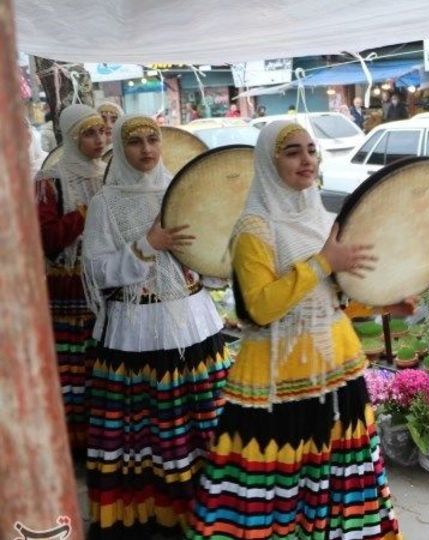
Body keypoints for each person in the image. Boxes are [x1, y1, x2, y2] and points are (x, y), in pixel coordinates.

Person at [188, 121, 404, 539]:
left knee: (336, 483)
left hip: (337, 370)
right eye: (292, 152)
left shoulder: (321, 218)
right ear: (269, 163)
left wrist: (386, 303)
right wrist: (322, 263)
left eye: (311, 150)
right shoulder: (254, 229)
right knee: (278, 491)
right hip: (278, 384)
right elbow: (259, 308)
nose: (307, 160)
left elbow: (332, 297)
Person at [82, 115, 231, 538]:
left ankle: (205, 508)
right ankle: (144, 513)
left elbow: (210, 259)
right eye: (135, 142)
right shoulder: (106, 203)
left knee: (198, 422)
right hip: (134, 329)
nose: (147, 149)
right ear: (119, 147)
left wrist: (221, 260)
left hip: (191, 324)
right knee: (143, 429)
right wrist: (148, 246)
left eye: (153, 140)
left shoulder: (180, 192)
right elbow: (97, 272)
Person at [35, 104, 106, 453]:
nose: (99, 139)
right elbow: (46, 240)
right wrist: (86, 212)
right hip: (68, 289)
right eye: (89, 133)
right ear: (72, 137)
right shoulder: (51, 179)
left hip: (105, 285)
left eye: (102, 132)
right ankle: (70, 448)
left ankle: (100, 445)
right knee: (71, 371)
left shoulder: (109, 173)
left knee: (100, 368)